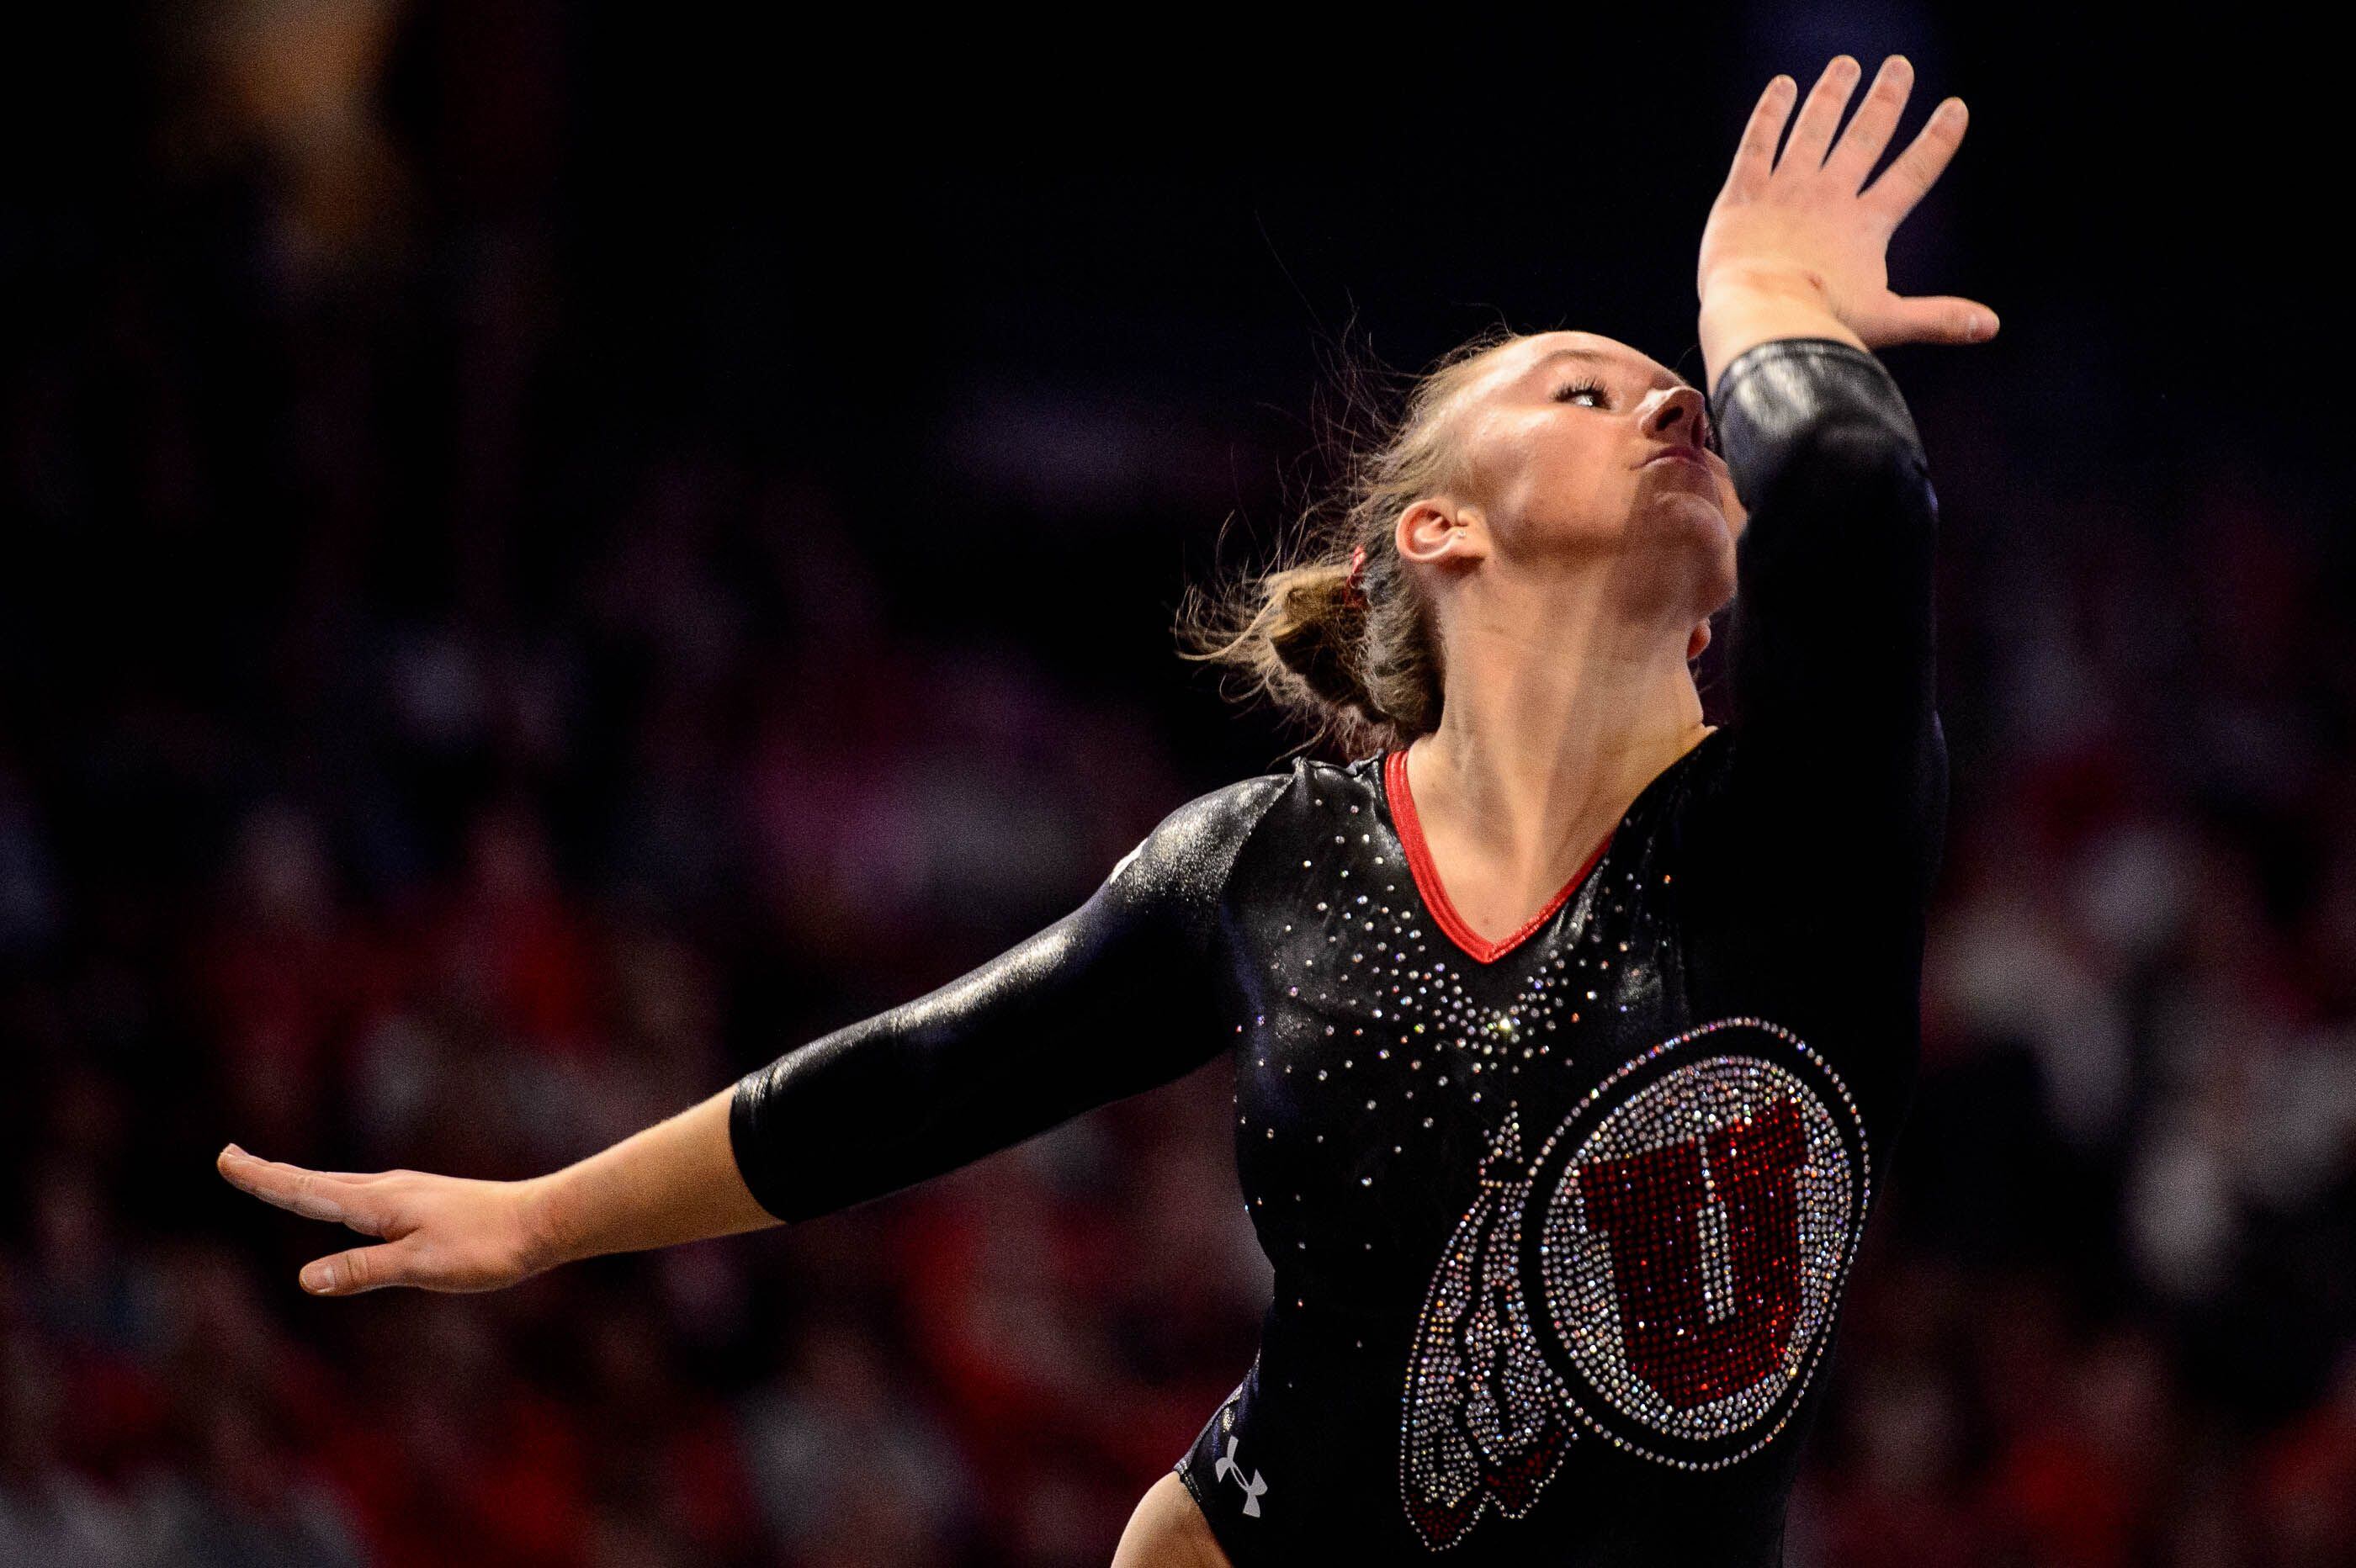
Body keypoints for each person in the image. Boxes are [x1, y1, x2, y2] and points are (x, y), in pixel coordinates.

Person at [218, 55, 1994, 1566]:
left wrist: (1764, 298)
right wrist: (540, 1219)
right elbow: (914, 1079)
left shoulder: (1799, 829)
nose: (1670, 394)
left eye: (1676, 386)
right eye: (1583, 386)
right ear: (1435, 532)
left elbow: (1844, 477)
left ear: (1719, 599)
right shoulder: (1272, 864)